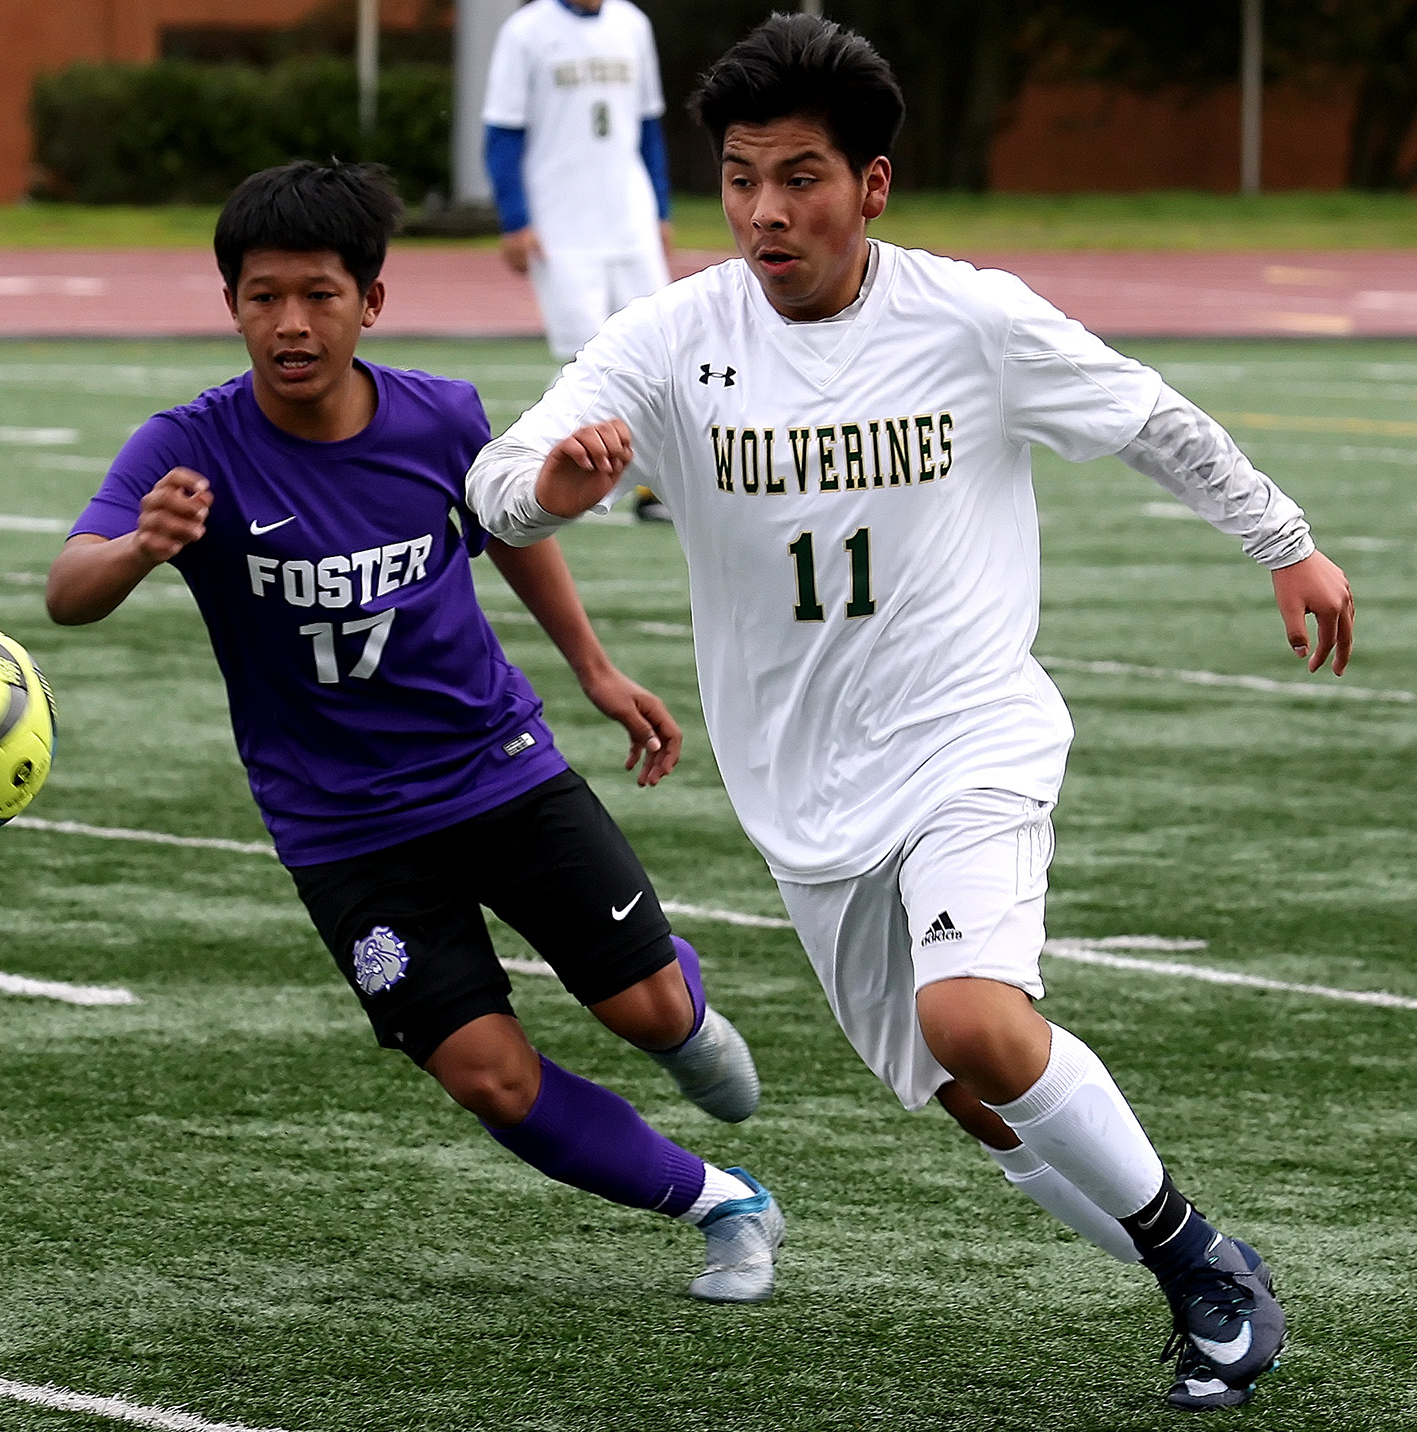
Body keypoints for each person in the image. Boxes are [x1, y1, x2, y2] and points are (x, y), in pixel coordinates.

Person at [467, 15, 1355, 1411]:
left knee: (976, 1020)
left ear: (871, 186)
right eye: (743, 176)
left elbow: (1149, 417)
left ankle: (1203, 1272)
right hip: (801, 794)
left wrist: (1284, 542)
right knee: (969, 1094)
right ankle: (1201, 1266)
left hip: (968, 732)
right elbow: (501, 480)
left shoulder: (969, 318)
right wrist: (554, 492)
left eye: (801, 176)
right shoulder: (669, 336)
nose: (766, 211)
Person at [44, 159, 783, 1303]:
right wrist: (140, 549)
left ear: (371, 302)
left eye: (319, 295)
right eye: (262, 297)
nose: (291, 323)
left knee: (641, 1008)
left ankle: (679, 1013)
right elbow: (65, 591)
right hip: (340, 827)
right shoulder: (184, 448)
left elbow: (511, 528)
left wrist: (591, 666)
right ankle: (723, 1202)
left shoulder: (442, 413)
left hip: (497, 769)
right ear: (230, 304)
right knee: (487, 1077)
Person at [482, 0, 675, 524]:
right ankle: (545, 481)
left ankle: (656, 490)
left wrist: (659, 208)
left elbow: (649, 126)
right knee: (590, 361)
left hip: (630, 222)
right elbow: (502, 132)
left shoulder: (633, 23)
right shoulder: (526, 32)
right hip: (561, 226)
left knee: (662, 353)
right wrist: (515, 219)